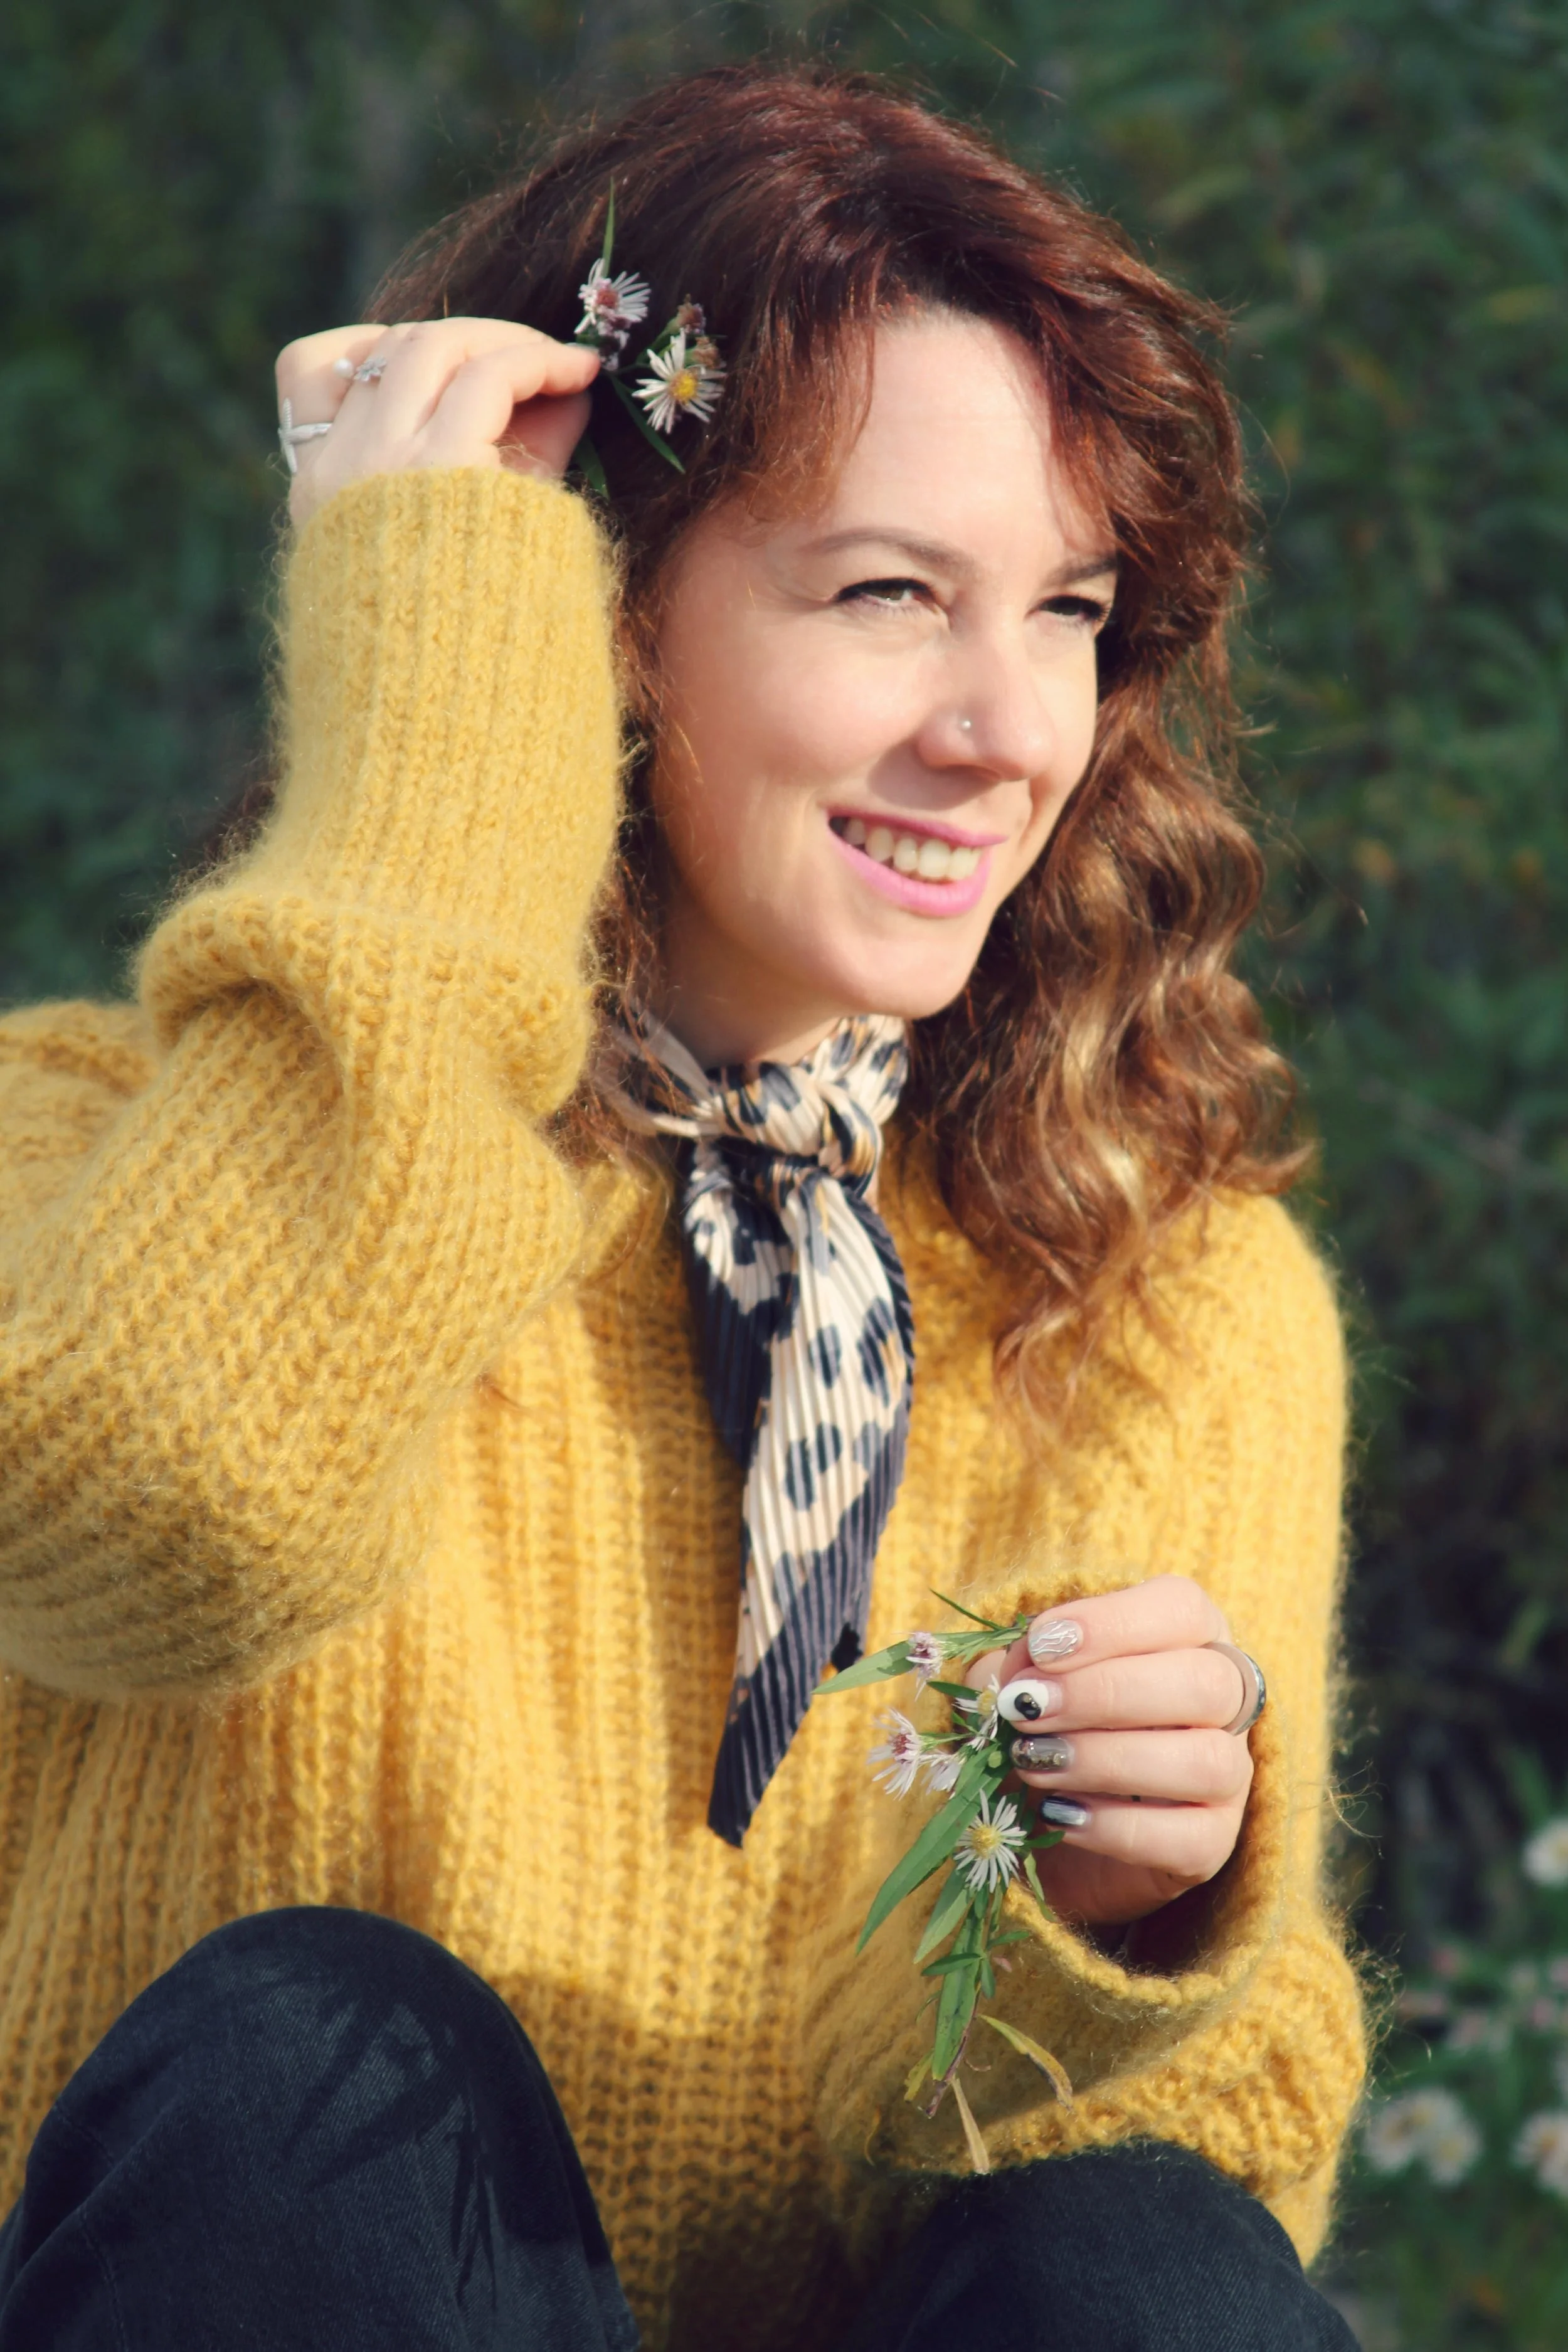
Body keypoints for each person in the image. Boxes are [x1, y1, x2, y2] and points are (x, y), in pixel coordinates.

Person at [0, 61, 1365, 2352]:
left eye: (1063, 609)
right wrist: (447, 744)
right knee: (310, 2055)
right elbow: (178, 1504)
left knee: (1131, 2251)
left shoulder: (1151, 1274)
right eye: (888, 591)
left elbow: (1201, 2204)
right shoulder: (91, 1141)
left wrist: (1118, 1909)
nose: (1006, 727)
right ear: (600, 615)